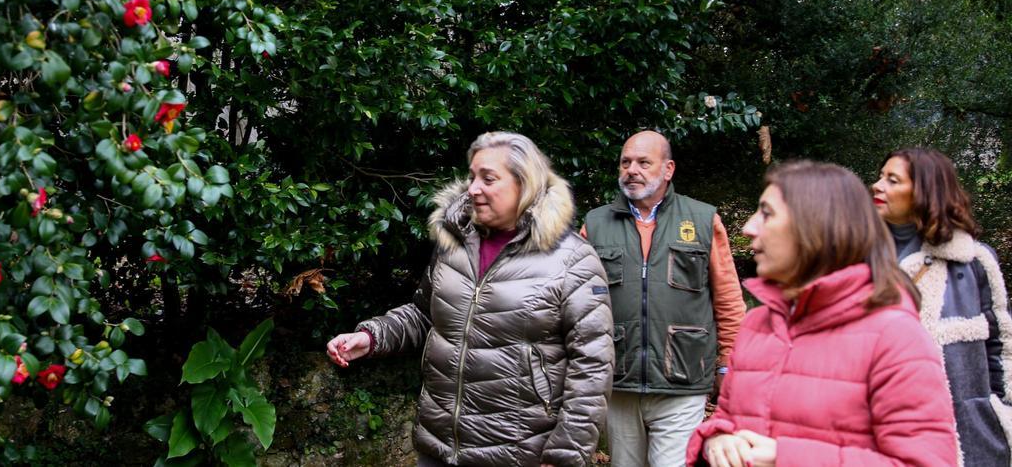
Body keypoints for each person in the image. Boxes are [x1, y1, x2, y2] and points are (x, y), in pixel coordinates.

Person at [325, 132, 613, 467]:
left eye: (488, 178)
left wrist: (564, 453)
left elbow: (592, 365)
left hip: (519, 453)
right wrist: (371, 337)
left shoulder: (572, 260)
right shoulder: (455, 244)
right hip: (439, 446)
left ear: (525, 184)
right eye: (473, 176)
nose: (473, 188)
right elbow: (424, 314)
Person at [688, 161, 957, 467]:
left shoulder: (896, 337)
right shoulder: (756, 324)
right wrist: (716, 439)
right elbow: (726, 417)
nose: (749, 227)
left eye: (766, 213)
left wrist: (787, 459)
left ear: (815, 226)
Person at [581, 130, 745, 467]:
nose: (632, 169)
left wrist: (729, 364)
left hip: (682, 381)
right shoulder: (595, 224)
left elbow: (728, 301)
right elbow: (577, 302)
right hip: (619, 381)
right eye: (625, 162)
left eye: (644, 162)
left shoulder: (702, 220)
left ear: (668, 169)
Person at [872, 148, 1012, 465]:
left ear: (924, 191)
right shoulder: (858, 257)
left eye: (892, 180)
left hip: (967, 430)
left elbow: (1001, 343)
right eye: (880, 177)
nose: (877, 186)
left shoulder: (974, 261)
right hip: (884, 426)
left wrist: (1000, 409)